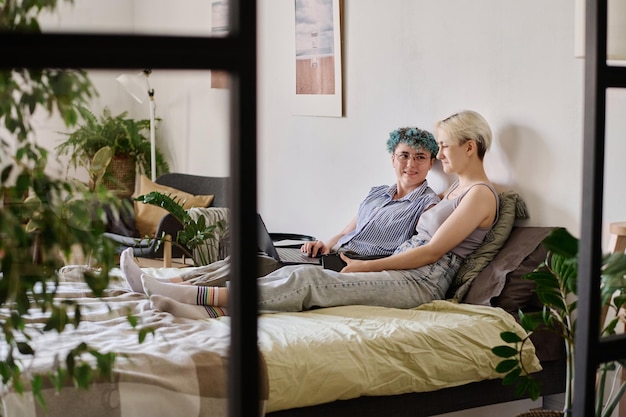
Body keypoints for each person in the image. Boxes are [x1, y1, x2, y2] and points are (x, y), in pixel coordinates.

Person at [124, 110, 500, 319]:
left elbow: (432, 252)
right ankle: (183, 288)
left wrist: (360, 266)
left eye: (443, 148)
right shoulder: (456, 189)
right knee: (282, 265)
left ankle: (195, 296)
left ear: (470, 147)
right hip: (403, 270)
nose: (440, 156)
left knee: (308, 281)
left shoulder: (479, 196)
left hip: (421, 280)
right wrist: (335, 247)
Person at [121, 126, 441, 292]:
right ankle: (168, 282)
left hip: (356, 265)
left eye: (420, 157)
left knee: (253, 264)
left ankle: (172, 285)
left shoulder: (428, 203)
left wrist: (354, 262)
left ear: (430, 163)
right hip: (332, 254)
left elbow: (417, 249)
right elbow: (348, 230)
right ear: (392, 157)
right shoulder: (377, 193)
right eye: (404, 155)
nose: (410, 164)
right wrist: (324, 244)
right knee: (248, 255)